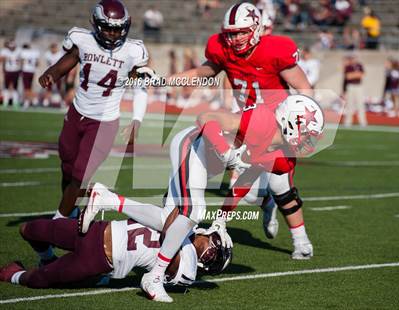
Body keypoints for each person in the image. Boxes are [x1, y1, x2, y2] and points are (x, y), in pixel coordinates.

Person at [138, 2, 316, 301]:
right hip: (242, 119)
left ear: (257, 30)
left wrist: (301, 122)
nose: (233, 40)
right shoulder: (222, 48)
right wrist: (163, 81)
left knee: (280, 183)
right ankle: (263, 203)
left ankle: (301, 240)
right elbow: (202, 73)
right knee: (245, 189)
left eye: (240, 33)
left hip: (273, 123)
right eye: (229, 34)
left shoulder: (276, 49)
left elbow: (305, 91)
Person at [37, 0, 149, 254]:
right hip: (76, 114)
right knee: (67, 170)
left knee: (80, 175)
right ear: (96, 25)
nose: (113, 34)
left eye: (118, 29)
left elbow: (140, 88)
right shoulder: (82, 39)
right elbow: (71, 58)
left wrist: (136, 120)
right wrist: (53, 73)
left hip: (105, 122)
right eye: (108, 29)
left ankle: (56, 226)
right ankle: (73, 210)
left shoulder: (132, 52)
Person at [0, 213, 232, 292]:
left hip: (98, 260)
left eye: (213, 259)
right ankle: (47, 258)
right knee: (28, 229)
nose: (210, 253)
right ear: (210, 232)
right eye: (215, 246)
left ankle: (14, 275)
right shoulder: (188, 219)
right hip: (94, 229)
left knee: (39, 280)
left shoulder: (188, 265)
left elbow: (168, 236)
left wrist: (182, 212)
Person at [342, 53, 367, 127]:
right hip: (351, 86)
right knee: (349, 105)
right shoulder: (348, 66)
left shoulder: (360, 65)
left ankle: (363, 122)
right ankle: (348, 122)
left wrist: (354, 74)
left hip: (358, 86)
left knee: (360, 105)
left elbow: (362, 74)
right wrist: (356, 74)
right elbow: (348, 77)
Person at [0, 39, 21, 108]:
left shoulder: (18, 51)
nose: (12, 48)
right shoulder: (5, 51)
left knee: (15, 87)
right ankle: (5, 102)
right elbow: (1, 60)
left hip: (15, 70)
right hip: (8, 70)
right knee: (6, 86)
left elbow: (22, 60)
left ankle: (15, 102)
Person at [43, 43, 65, 107]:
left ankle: (62, 101)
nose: (53, 49)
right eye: (52, 48)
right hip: (49, 74)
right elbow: (47, 64)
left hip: (58, 74)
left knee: (59, 88)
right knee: (48, 88)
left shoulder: (60, 54)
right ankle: (46, 100)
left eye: (54, 48)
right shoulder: (47, 54)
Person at [20, 43, 40, 108]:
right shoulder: (34, 52)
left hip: (26, 71)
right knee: (30, 87)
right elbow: (37, 63)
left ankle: (30, 101)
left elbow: (22, 62)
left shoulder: (24, 52)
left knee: (26, 88)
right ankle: (32, 100)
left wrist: (21, 70)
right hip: (32, 71)